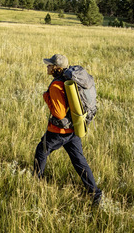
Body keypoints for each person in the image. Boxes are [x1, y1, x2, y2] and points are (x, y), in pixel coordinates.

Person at [33, 53, 102, 206]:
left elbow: (58, 113)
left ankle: (36, 182)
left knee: (41, 151)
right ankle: (95, 194)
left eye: (50, 65)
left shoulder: (56, 85)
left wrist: (47, 98)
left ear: (56, 68)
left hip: (59, 132)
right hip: (75, 129)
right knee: (79, 161)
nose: (47, 67)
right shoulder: (69, 80)